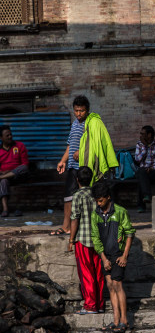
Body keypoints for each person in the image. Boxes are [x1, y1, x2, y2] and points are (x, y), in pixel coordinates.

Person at [90, 180, 134, 333]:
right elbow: (95, 237)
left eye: (101, 200)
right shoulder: (95, 214)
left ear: (108, 197)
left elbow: (129, 233)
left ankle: (124, 320)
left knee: (117, 285)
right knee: (110, 285)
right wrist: (103, 258)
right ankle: (115, 320)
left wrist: (124, 255)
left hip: (118, 254)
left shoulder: (120, 211)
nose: (99, 204)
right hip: (105, 255)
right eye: (97, 201)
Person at [68, 166, 104, 315]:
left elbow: (75, 219)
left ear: (77, 180)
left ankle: (90, 305)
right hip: (99, 238)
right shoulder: (96, 194)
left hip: (83, 239)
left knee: (86, 273)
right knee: (99, 273)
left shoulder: (77, 196)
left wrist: (71, 239)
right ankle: (100, 304)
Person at [54, 95, 91, 236]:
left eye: (81, 110)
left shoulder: (90, 123)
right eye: (76, 110)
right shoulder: (75, 124)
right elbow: (70, 145)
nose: (78, 113)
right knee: (69, 197)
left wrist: (82, 151)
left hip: (84, 167)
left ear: (87, 110)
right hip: (73, 166)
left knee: (84, 196)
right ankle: (66, 226)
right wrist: (62, 160)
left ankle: (72, 226)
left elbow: (93, 142)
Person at [0, 125, 29, 218]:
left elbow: (25, 164)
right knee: (3, 181)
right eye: (7, 135)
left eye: (10, 134)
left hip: (18, 175)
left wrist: (11, 171)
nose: (10, 137)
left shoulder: (20, 146)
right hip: (5, 177)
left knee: (24, 168)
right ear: (1, 138)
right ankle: (5, 209)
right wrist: (2, 172)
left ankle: (2, 177)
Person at [133, 125, 155, 213]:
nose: (140, 136)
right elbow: (137, 160)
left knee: (141, 177)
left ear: (149, 135)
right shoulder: (139, 144)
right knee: (142, 173)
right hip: (143, 171)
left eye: (143, 134)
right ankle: (147, 196)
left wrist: (152, 168)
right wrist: (145, 148)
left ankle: (141, 206)